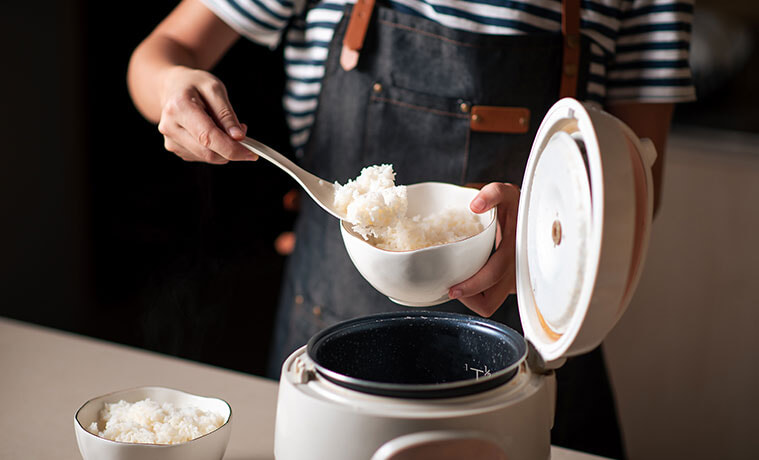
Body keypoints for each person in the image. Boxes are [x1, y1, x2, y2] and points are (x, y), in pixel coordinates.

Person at [127, 0, 695, 457]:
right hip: (330, 340)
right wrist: (173, 87)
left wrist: (551, 221)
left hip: (531, 345)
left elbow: (640, 185)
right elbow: (160, 53)